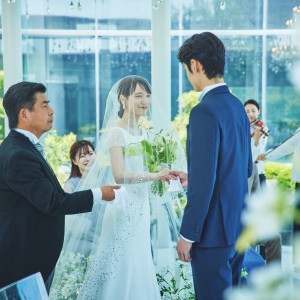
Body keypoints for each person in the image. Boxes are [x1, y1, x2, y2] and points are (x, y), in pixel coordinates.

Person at [49, 76, 187, 299]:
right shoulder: (116, 132)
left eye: (147, 96)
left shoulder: (146, 134)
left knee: (141, 259)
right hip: (122, 207)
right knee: (123, 261)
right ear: (123, 99)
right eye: (138, 96)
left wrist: (164, 173)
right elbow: (120, 175)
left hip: (141, 207)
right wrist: (153, 175)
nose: (145, 101)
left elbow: (148, 170)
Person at [0, 82, 119, 290]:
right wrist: (99, 193)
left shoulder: (23, 147)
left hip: (32, 258)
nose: (52, 111)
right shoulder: (18, 154)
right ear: (24, 115)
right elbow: (53, 202)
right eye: (44, 105)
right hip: (22, 262)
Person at [170, 32, 252, 299]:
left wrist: (187, 235)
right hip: (238, 228)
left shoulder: (203, 111)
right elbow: (245, 168)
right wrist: (193, 177)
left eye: (186, 69)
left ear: (195, 65)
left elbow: (205, 184)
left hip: (212, 235)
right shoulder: (237, 106)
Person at [244, 99, 268, 185]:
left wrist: (257, 138)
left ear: (259, 111)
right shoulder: (242, 128)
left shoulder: (263, 128)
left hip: (258, 168)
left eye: (253, 111)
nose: (250, 114)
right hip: (244, 169)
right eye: (247, 111)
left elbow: (258, 151)